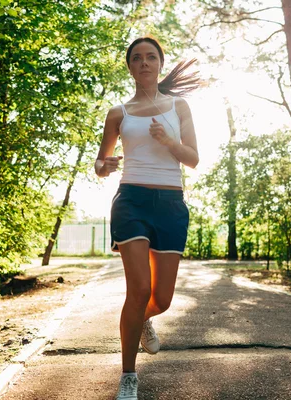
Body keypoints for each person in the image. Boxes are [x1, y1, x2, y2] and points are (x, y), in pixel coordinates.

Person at [94, 37, 200, 400]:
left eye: (150, 57)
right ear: (130, 67)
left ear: (159, 64)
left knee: (162, 298)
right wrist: (104, 166)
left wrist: (169, 141)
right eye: (137, 58)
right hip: (132, 202)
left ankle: (143, 320)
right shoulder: (117, 113)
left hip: (171, 203)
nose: (144, 63)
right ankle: (128, 376)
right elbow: (100, 162)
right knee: (138, 290)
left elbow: (193, 159)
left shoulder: (178, 106)